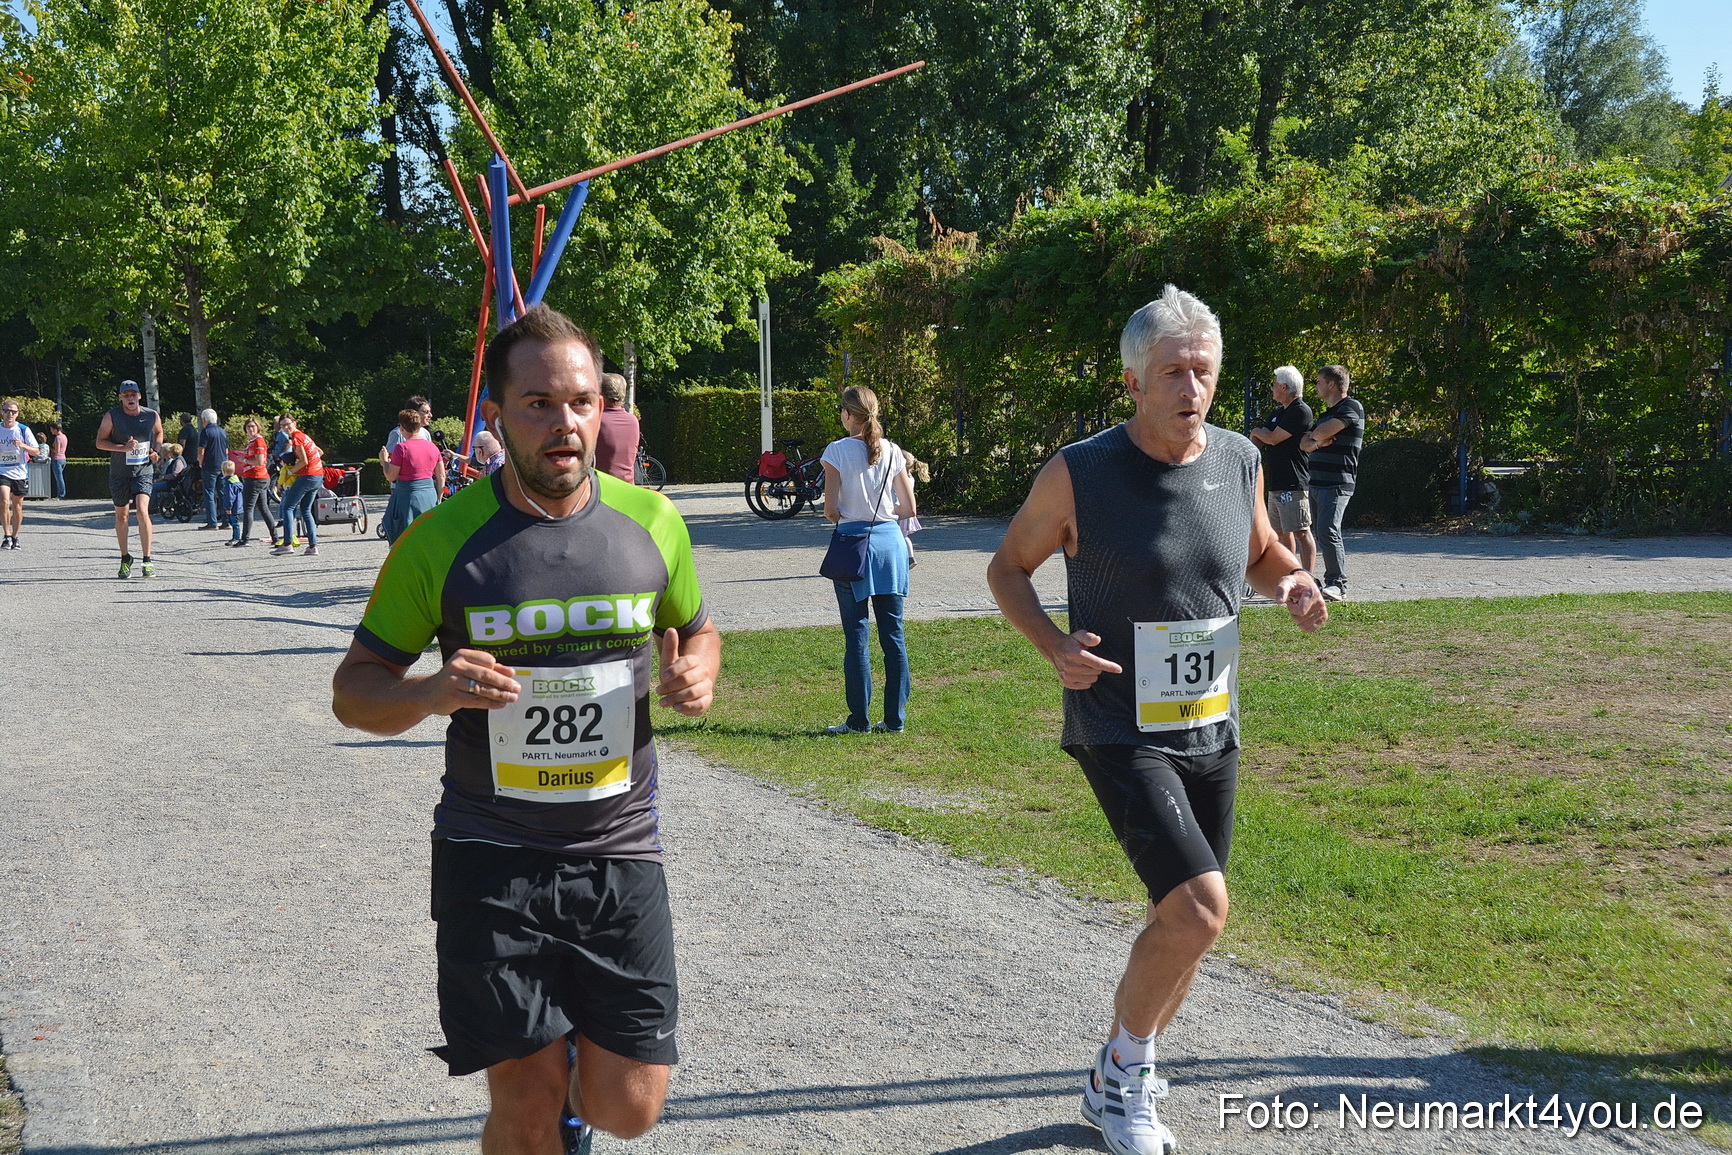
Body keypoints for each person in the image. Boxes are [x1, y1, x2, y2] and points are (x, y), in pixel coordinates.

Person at [331, 304, 720, 1155]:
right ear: (498, 415)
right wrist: (432, 690)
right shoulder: (441, 542)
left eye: (580, 401)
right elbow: (353, 692)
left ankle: (578, 1092)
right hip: (491, 852)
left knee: (630, 1106)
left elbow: (698, 628)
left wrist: (700, 668)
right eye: (538, 403)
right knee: (526, 1101)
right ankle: (547, 1101)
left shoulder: (653, 522)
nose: (563, 422)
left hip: (619, 847)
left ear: (602, 409)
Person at [986, 285, 1326, 1155]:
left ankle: (1113, 1071)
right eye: (1173, 371)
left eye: (1203, 371)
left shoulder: (1239, 461)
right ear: (1133, 382)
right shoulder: (1081, 471)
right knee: (1202, 909)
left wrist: (1290, 581)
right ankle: (1127, 1076)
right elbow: (1007, 568)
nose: (1191, 387)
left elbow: (1258, 552)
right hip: (1116, 719)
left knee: (1182, 925)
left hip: (1211, 721)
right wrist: (1053, 646)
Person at [819, 385, 917, 734]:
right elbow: (909, 507)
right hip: (890, 545)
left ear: (847, 414)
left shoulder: (836, 451)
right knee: (893, 635)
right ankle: (894, 720)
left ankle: (858, 720)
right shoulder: (892, 450)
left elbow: (831, 510)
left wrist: (851, 515)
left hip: (853, 546)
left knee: (856, 635)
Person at [1299, 364, 1364, 602]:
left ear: (1332, 384)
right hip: (1316, 482)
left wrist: (1315, 437)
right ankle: (1331, 583)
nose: (1316, 386)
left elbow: (1320, 433)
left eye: (1319, 382)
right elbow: (1304, 444)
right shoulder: (1325, 414)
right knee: (1321, 531)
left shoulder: (1351, 407)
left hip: (1337, 482)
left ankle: (1338, 584)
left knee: (1329, 530)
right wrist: (1317, 440)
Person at [1247, 365, 1316, 577]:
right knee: (1280, 533)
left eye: (1274, 384)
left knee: (1301, 531)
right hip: (1276, 481)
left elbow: (1273, 438)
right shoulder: (1278, 413)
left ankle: (1307, 577)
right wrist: (1259, 436)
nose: (1272, 388)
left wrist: (1257, 431)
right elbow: (1259, 441)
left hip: (1293, 482)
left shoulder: (1300, 411)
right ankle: (1289, 574)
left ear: (1284, 387)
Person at [95, 380, 164, 578]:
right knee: (122, 516)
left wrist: (156, 450)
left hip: (143, 470)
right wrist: (122, 448)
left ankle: (147, 559)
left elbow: (159, 432)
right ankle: (125, 558)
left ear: (139, 396)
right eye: (126, 395)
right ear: (120, 398)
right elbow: (100, 442)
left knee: (142, 511)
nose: (130, 398)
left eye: (133, 394)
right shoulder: (112, 416)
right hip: (119, 473)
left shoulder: (151, 415)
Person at [381, 407, 445, 543]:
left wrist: (384, 460)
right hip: (429, 495)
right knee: (427, 537)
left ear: (401, 427)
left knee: (406, 538)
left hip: (408, 496)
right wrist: (438, 498)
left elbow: (390, 476)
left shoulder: (401, 448)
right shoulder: (433, 447)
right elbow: (441, 476)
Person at [272, 414, 324, 557]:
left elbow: (304, 461)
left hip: (308, 476)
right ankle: (313, 546)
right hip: (318, 475)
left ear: (295, 423)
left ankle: (287, 544)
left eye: (288, 424)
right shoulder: (304, 436)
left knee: (288, 507)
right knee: (306, 510)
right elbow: (320, 452)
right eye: (283, 425)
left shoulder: (297, 438)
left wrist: (289, 472)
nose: (286, 427)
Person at [0, 400, 43, 549]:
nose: (10, 414)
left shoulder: (23, 430)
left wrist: (22, 445)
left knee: (17, 506)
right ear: (2, 412)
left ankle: (15, 536)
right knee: (4, 501)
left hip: (19, 473)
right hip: (2, 471)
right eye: (7, 411)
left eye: (13, 412)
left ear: (17, 414)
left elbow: (36, 451)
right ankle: (6, 536)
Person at [231, 417, 278, 548]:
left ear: (258, 427)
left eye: (253, 426)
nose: (251, 429)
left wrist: (244, 460)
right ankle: (275, 536)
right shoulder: (252, 441)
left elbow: (259, 461)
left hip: (256, 477)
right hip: (258, 477)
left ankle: (245, 539)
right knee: (263, 508)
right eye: (248, 427)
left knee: (248, 508)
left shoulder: (258, 441)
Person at [593, 372, 640, 483]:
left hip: (601, 487)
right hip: (627, 486)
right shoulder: (633, 421)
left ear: (601, 394)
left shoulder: (596, 420)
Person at [197, 408, 229, 529]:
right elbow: (226, 450)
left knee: (209, 493)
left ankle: (212, 522)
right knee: (223, 493)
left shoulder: (205, 432)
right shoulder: (222, 431)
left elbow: (201, 450)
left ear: (204, 419)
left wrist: (200, 463)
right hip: (222, 465)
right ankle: (226, 521)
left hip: (210, 465)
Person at [218, 461, 245, 544]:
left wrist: (228, 507)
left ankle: (236, 538)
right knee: (235, 522)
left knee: (234, 523)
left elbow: (230, 497)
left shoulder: (229, 483)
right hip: (238, 505)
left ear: (224, 471)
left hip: (233, 507)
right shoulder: (237, 480)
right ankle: (235, 537)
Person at [46, 421, 67, 499]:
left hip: (57, 459)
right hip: (63, 458)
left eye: (52, 429)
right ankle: (60, 494)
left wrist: (50, 448)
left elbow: (57, 450)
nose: (51, 431)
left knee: (59, 478)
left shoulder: (58, 438)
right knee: (60, 477)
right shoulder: (64, 436)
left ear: (55, 429)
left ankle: (61, 495)